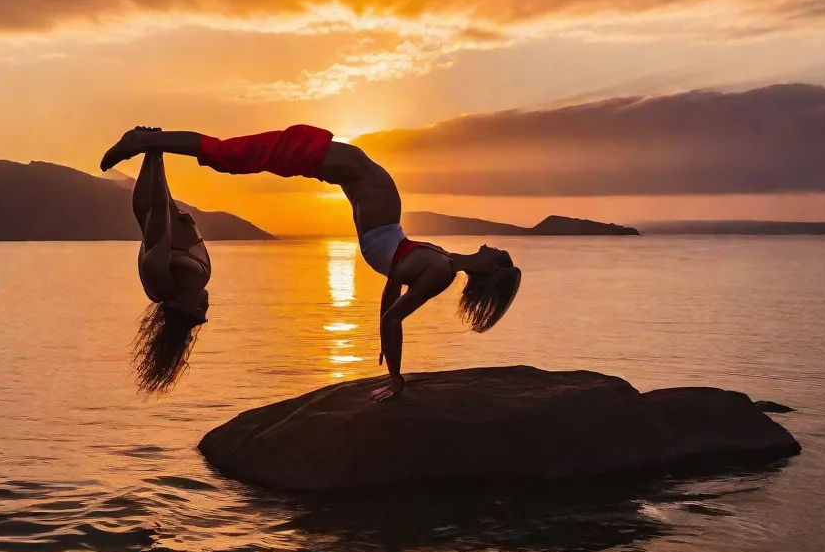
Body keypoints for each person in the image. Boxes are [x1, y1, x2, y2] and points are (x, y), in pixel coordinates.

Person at [101, 124, 521, 400]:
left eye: (500, 256)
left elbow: (395, 314)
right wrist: (382, 341)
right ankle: (152, 143)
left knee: (239, 154)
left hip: (372, 206)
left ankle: (148, 142)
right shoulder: (446, 264)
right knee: (259, 153)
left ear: (491, 272)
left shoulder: (442, 271)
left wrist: (395, 376)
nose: (494, 248)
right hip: (374, 208)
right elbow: (393, 287)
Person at [127, 128, 211, 394]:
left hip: (152, 203)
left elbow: (155, 212)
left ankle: (142, 142)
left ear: (178, 304)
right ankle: (145, 143)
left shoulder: (159, 279)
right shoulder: (199, 278)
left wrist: (154, 150)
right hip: (160, 203)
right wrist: (155, 149)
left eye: (198, 311)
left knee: (154, 207)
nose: (206, 307)